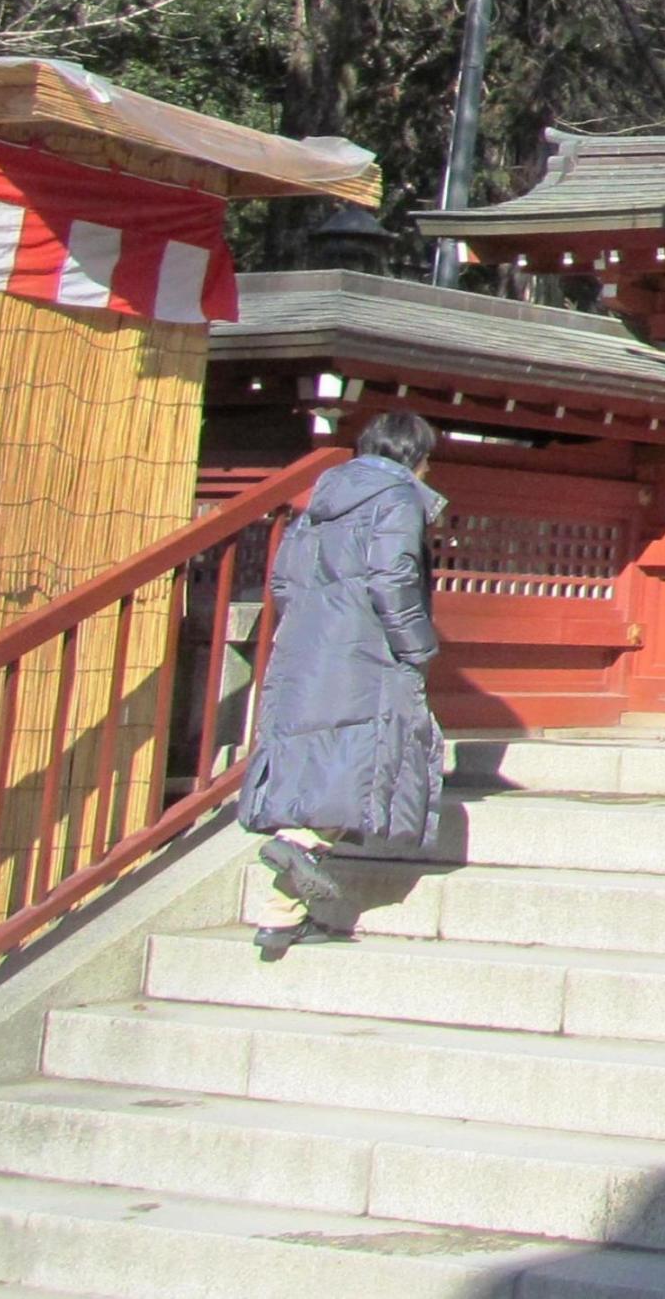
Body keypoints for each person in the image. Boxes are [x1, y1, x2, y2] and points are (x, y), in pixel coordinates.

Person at [238, 410, 447, 961]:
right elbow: (392, 576)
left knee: (321, 761)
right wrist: (417, 644)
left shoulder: (319, 503)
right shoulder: (397, 499)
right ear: (414, 456)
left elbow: (283, 579)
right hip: (367, 648)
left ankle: (279, 918)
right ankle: (298, 843)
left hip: (311, 641)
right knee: (365, 762)